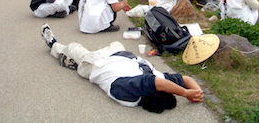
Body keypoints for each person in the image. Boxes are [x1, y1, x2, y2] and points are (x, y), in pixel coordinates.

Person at [41, 23, 204, 113]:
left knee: (75, 48)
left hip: (96, 64)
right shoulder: (151, 85)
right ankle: (71, 61)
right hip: (118, 55)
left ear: (151, 92)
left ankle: (54, 46)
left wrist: (184, 93)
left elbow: (155, 82)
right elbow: (186, 79)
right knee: (115, 44)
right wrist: (196, 93)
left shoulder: (130, 92)